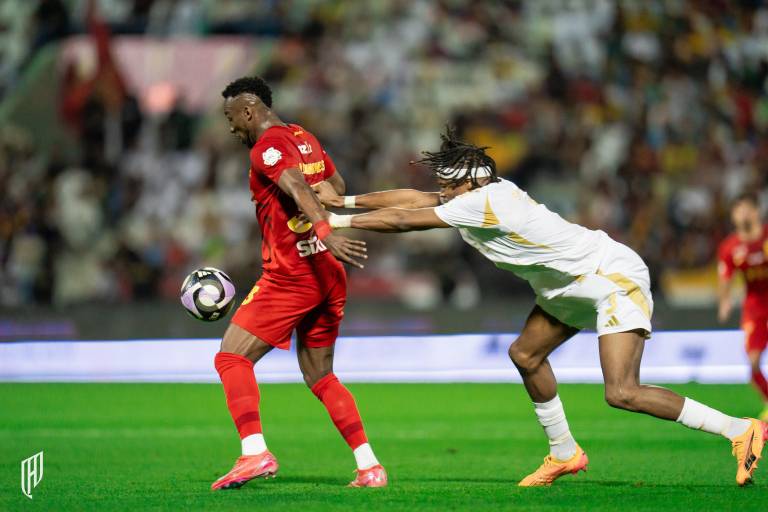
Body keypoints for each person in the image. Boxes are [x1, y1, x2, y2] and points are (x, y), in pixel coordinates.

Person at [314, 127, 767, 487]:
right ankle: (565, 453)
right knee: (526, 355)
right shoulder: (476, 194)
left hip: (608, 277)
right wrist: (344, 200)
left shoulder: (481, 203)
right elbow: (413, 199)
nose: (442, 193)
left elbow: (404, 219)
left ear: (470, 183)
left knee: (622, 392)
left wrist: (331, 221)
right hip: (566, 285)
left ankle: (739, 429)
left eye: (448, 187)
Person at [211, 76, 386, 490]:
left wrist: (322, 230)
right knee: (321, 375)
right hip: (327, 273)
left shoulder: (266, 146)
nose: (230, 126)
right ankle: (369, 466)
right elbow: (336, 187)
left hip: (292, 275)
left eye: (231, 117)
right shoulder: (303, 137)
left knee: (231, 358)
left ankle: (254, 453)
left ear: (249, 109)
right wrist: (319, 226)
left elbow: (292, 184)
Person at [718, 192, 768, 422]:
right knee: (754, 363)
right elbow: (726, 277)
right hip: (755, 306)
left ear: (756, 212)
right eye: (738, 211)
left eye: (746, 209)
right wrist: (725, 302)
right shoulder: (730, 247)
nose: (742, 214)